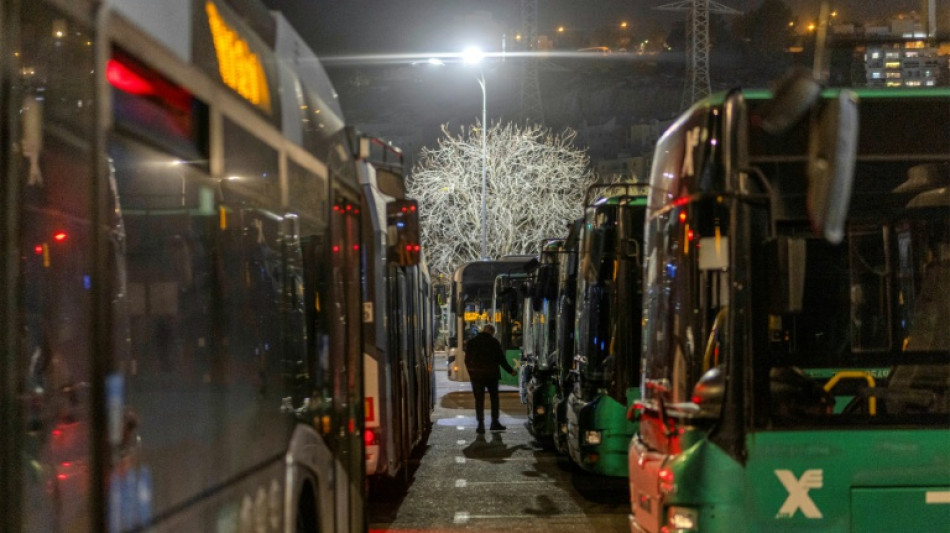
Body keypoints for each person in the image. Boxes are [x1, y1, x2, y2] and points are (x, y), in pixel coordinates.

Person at [464, 324, 515, 433]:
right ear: (491, 332)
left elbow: (467, 360)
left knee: (479, 400)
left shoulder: (472, 342)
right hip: (491, 375)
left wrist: (471, 373)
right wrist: (511, 371)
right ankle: (494, 422)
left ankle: (481, 424)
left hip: (477, 376)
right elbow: (501, 359)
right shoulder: (494, 342)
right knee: (494, 399)